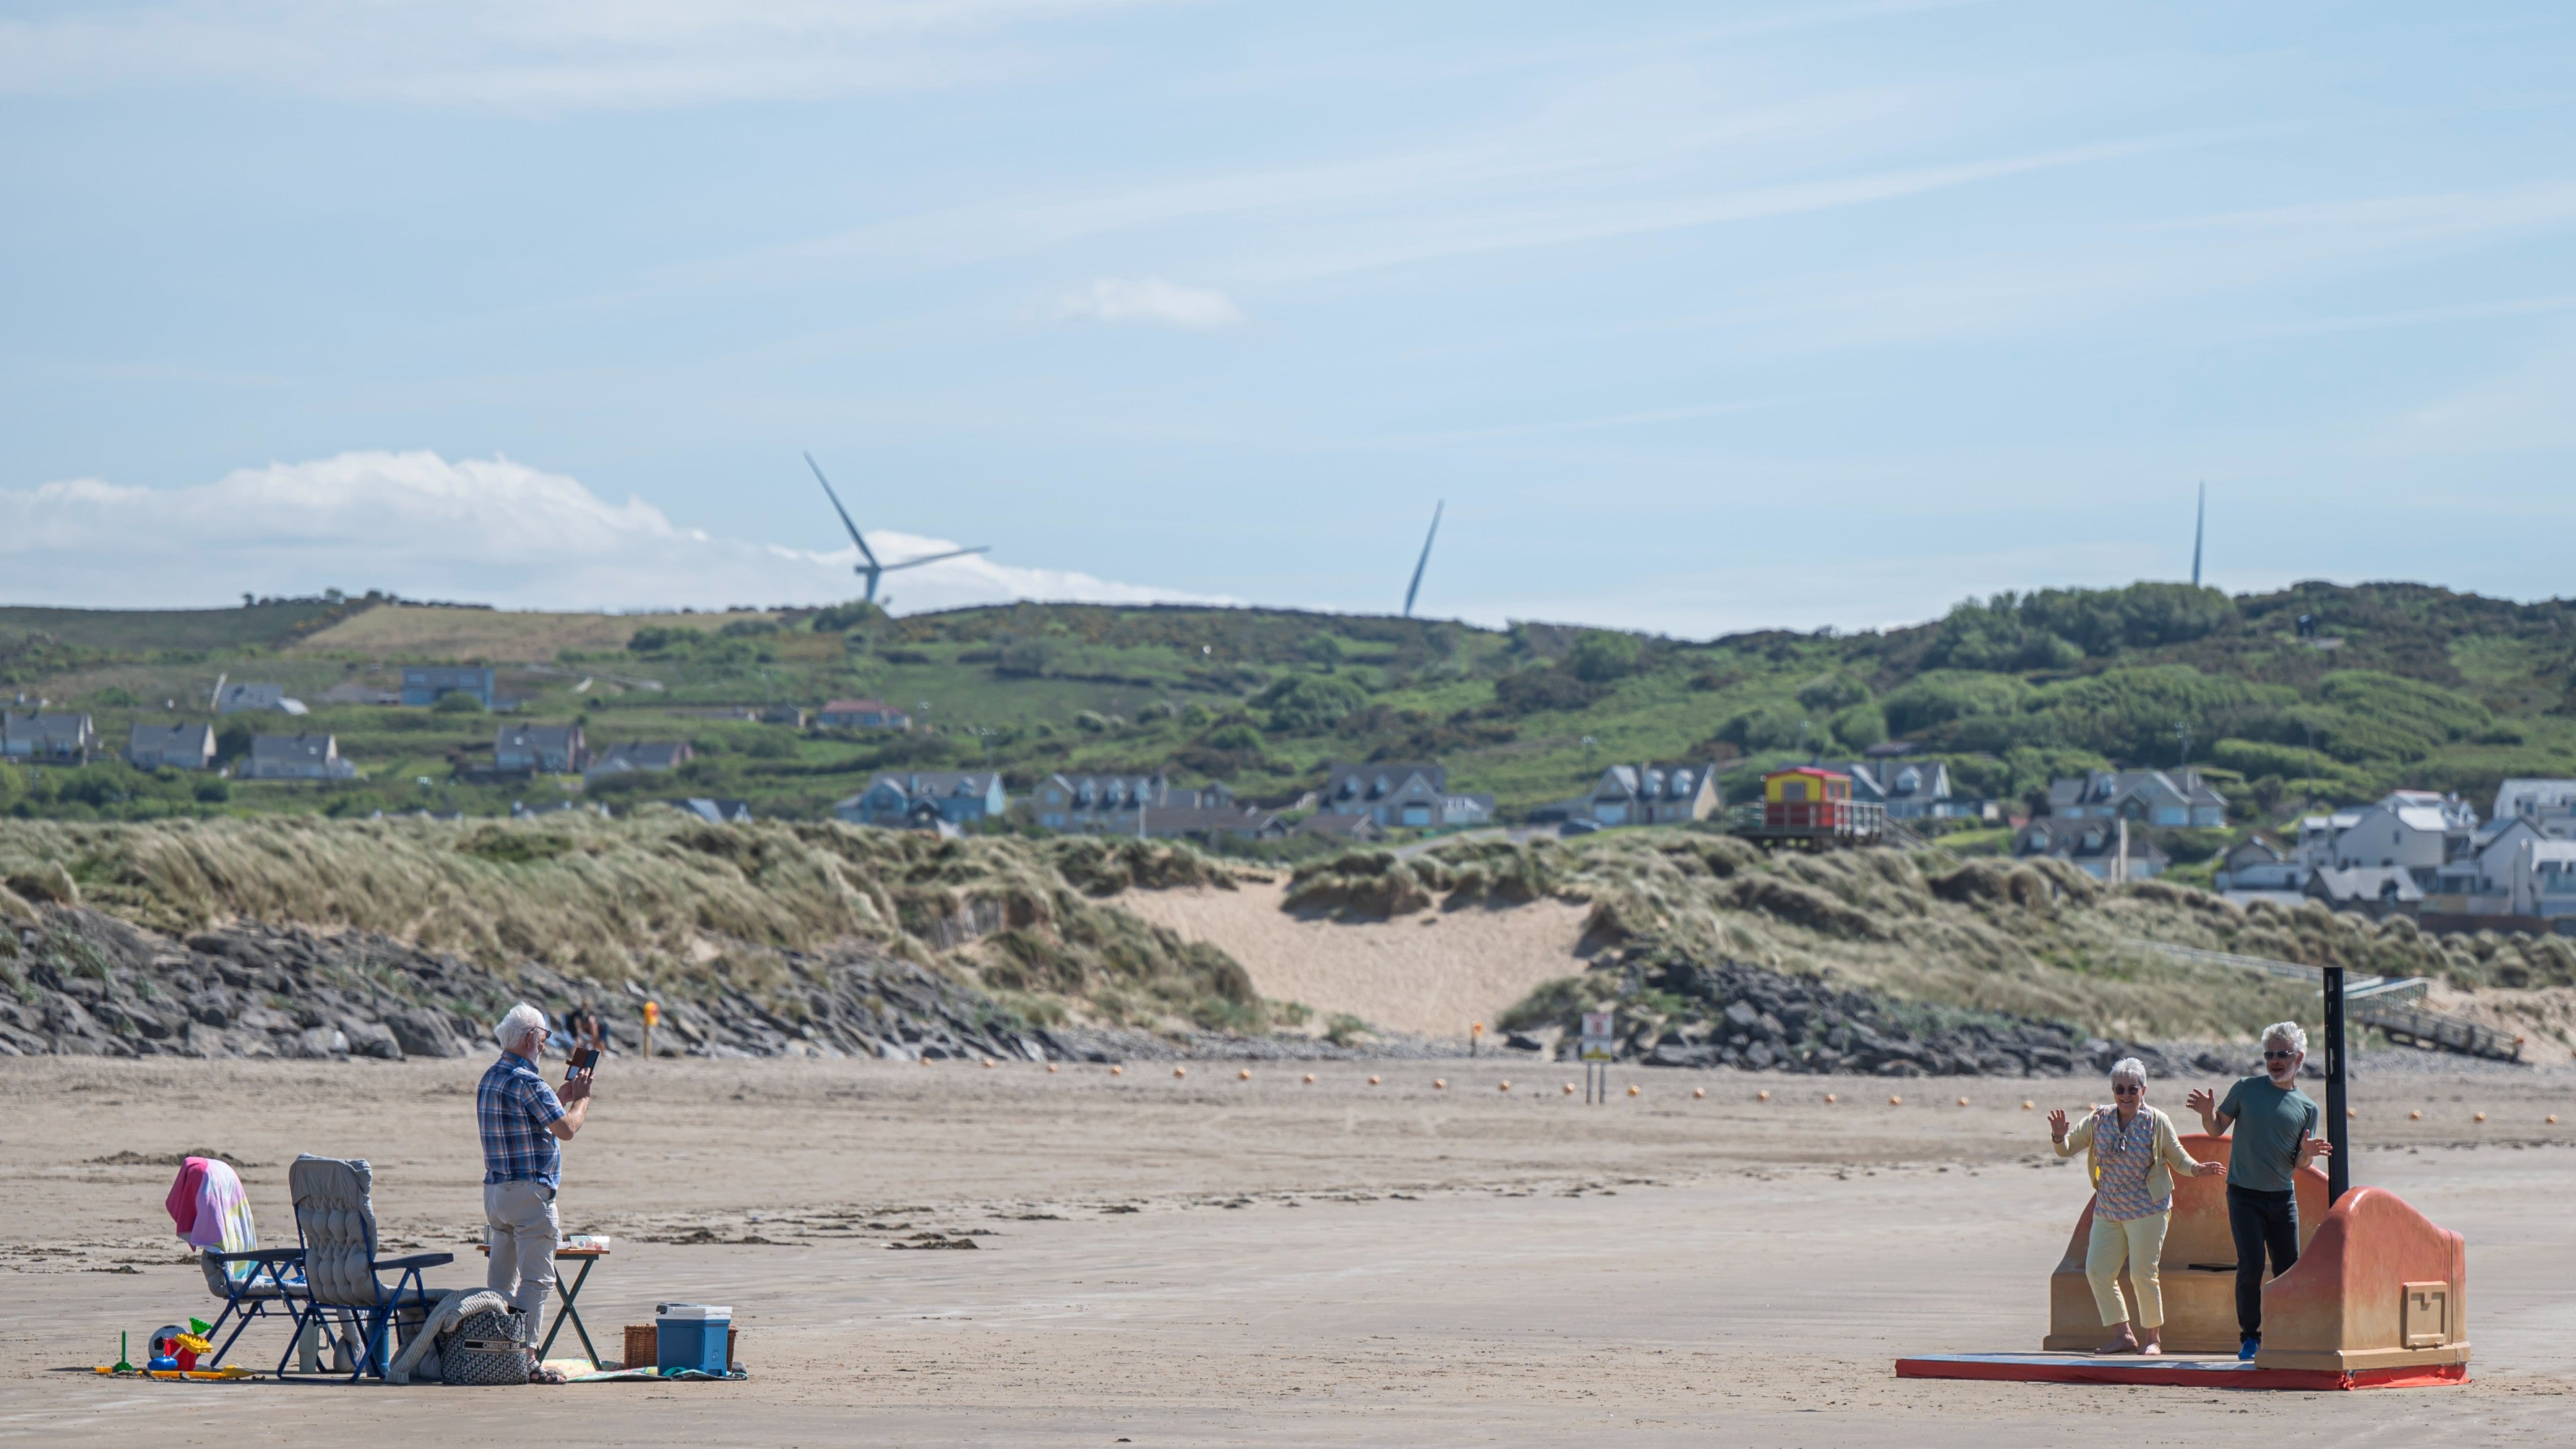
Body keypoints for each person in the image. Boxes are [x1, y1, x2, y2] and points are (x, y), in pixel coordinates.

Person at [2049, 1058, 2220, 1354]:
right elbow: (2067, 1150)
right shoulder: (2098, 1119)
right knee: (2098, 1271)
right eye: (2119, 1089)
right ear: (2112, 1090)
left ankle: (2153, 1339)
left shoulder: (2156, 1121)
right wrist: (2058, 1136)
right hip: (2109, 1210)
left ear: (2144, 1090)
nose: (2125, 1095)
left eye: (2132, 1089)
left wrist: (2197, 1169)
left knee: (2143, 1273)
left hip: (2148, 1209)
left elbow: (2178, 1157)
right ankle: (2123, 1334)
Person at [2187, 1021, 2332, 1362]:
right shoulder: (2245, 1088)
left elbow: (2301, 1164)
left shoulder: (2308, 1107)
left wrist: (2308, 1151)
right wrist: (2208, 1114)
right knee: (2250, 1266)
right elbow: (2215, 1129)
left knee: (2288, 1269)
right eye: (2270, 1054)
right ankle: (2250, 1336)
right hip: (2243, 1194)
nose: (2275, 1060)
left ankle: (2286, 1333)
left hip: (2282, 1198)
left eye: (2283, 1054)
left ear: (2299, 1058)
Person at [479, 1002, 594, 1385]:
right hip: (530, 1194)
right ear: (530, 1038)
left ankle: (492, 1351)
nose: (544, 1045)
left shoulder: (492, 1077)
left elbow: (530, 1115)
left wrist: (560, 1094)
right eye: (543, 1037)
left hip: (497, 1193)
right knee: (536, 1281)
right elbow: (566, 1129)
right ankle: (526, 1359)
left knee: (499, 1281)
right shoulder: (528, 1082)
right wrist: (582, 1099)